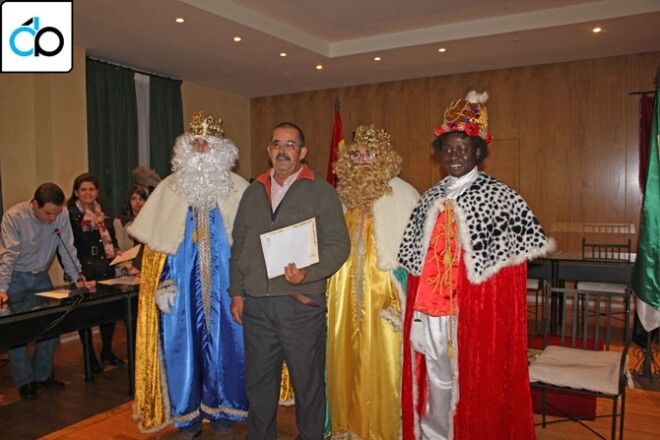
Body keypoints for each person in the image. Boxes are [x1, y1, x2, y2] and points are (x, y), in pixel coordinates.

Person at [397, 91, 555, 440]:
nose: (454, 156)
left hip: (473, 315)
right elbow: (414, 264)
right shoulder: (428, 198)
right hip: (430, 311)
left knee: (472, 381)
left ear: (478, 152)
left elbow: (508, 277)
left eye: (462, 149)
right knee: (435, 380)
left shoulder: (501, 198)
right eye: (447, 149)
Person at [129, 111, 249, 437]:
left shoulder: (238, 188)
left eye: (207, 143)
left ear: (221, 149)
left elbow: (252, 245)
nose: (200, 149)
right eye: (195, 142)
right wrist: (160, 284)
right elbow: (154, 250)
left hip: (228, 289)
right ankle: (188, 417)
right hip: (179, 290)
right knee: (182, 349)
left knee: (229, 345)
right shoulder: (169, 189)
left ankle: (225, 413)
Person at [230, 122, 350, 440]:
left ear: (303, 152)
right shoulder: (252, 192)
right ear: (269, 150)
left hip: (301, 305)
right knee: (258, 387)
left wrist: (307, 273)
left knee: (308, 386)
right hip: (257, 306)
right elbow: (238, 246)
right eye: (276, 144)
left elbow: (339, 245)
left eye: (290, 144)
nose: (282, 150)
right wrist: (237, 293)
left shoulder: (321, 191)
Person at [325, 125, 419, 439]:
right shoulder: (340, 196)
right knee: (344, 361)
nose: (363, 160)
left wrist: (403, 300)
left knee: (384, 365)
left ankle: (383, 431)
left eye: (371, 154)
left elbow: (415, 258)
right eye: (357, 154)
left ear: (384, 158)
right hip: (342, 294)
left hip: (386, 297)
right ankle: (346, 428)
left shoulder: (405, 195)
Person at [0, 183, 92, 400]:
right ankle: (25, 382)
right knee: (18, 332)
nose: (52, 219)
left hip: (41, 276)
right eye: (48, 213)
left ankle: (43, 376)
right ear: (35, 204)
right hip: (16, 278)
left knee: (51, 324)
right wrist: (1, 288)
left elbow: (67, 247)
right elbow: (8, 256)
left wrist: (77, 277)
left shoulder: (61, 215)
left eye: (56, 214)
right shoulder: (14, 217)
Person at [67, 173, 123, 371]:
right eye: (83, 189)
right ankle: (89, 356)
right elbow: (68, 247)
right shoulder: (71, 216)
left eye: (91, 189)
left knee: (108, 313)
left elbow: (111, 240)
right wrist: (76, 273)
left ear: (97, 192)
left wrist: (117, 253)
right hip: (83, 271)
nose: (88, 193)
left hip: (105, 268)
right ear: (76, 193)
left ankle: (107, 351)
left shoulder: (102, 213)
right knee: (85, 316)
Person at [113, 185, 150, 274]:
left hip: (148, 267)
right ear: (129, 202)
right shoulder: (120, 222)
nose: (138, 202)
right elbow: (119, 252)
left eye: (141, 199)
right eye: (134, 199)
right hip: (128, 268)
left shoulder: (151, 222)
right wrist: (129, 269)